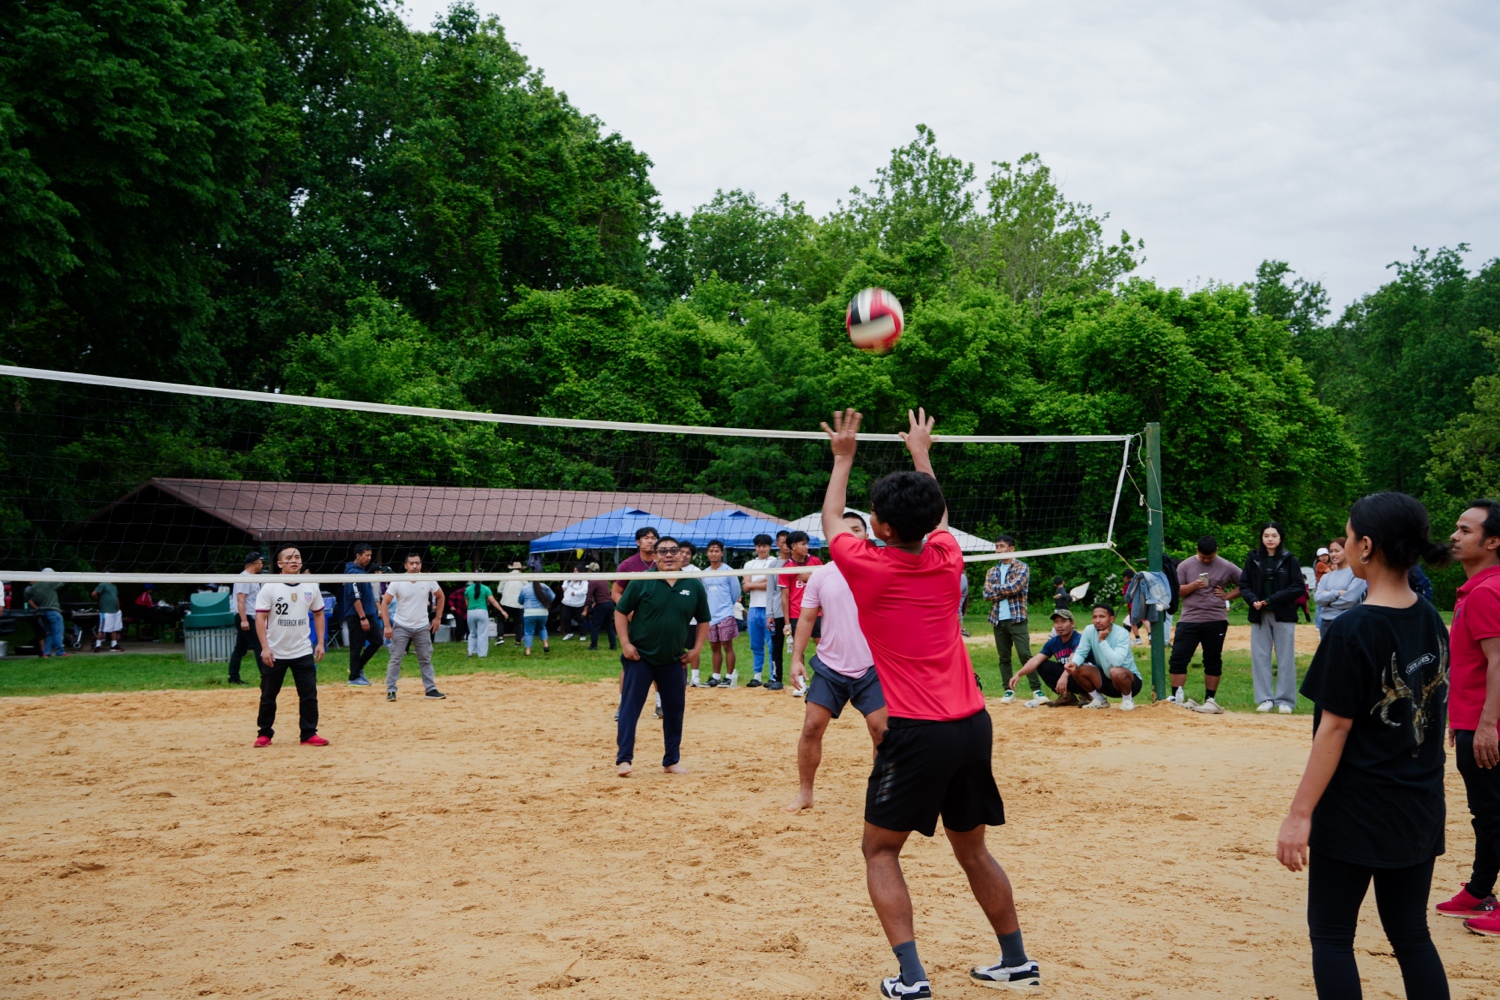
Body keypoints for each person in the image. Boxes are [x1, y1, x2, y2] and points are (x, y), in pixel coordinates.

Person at [820, 407, 1040, 997]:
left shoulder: (867, 566)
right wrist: (922, 452)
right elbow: (938, 515)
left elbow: (832, 520)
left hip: (918, 731)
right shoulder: (948, 557)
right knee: (973, 849)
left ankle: (912, 978)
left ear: (884, 529)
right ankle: (1016, 961)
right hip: (971, 723)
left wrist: (843, 457)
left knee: (879, 850)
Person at [1276, 492, 1451, 999]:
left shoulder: (1353, 628)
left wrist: (1299, 815)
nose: (1346, 545)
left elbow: (1334, 730)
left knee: (1332, 937)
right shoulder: (1430, 617)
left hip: (1357, 807)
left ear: (1367, 546)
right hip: (1418, 804)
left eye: (1350, 536)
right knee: (1412, 936)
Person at [785, 510, 888, 812]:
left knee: (882, 732)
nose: (850, 534)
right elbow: (806, 619)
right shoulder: (822, 574)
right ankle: (805, 794)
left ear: (866, 535)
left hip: (873, 666)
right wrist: (796, 659)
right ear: (833, 538)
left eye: (856, 529)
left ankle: (881, 796)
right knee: (811, 728)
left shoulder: (882, 568)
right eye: (844, 529)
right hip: (830, 666)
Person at [1435, 499, 1500, 934]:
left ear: (1493, 542)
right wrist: (1462, 721)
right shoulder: (1476, 589)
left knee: (1494, 814)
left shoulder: (1487, 592)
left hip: (1488, 727)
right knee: (1486, 813)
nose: (1454, 536)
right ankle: (1479, 891)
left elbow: (1499, 662)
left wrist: (1487, 725)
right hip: (1473, 722)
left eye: (1465, 530)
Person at [614, 535, 709, 777]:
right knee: (630, 708)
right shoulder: (642, 581)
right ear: (655, 556)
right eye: (663, 551)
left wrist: (697, 649)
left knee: (674, 711)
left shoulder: (693, 584)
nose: (668, 555)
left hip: (674, 659)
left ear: (682, 555)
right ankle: (624, 760)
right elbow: (621, 611)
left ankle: (671, 761)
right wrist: (625, 643)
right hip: (640, 657)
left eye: (673, 551)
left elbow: (704, 619)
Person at [252, 545, 328, 747]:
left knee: (309, 695)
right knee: (268, 695)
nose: (294, 561)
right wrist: (265, 647)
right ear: (279, 564)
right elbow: (260, 618)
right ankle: (264, 734)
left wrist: (320, 642)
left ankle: (309, 734)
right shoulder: (270, 587)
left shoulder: (310, 585)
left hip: (302, 650)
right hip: (275, 652)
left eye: (297, 557)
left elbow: (319, 614)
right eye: (289, 558)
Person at [1169, 535, 1242, 713]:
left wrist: (1226, 596)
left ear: (1216, 551)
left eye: (1210, 557)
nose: (1207, 560)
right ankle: (1176, 697)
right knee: (1178, 658)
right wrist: (1193, 586)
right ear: (1197, 550)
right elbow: (1176, 591)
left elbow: (1245, 584)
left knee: (1212, 660)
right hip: (1189, 619)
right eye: (1203, 557)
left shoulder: (1227, 566)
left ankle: (1210, 699)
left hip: (1215, 619)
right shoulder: (1185, 565)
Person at [1243, 522, 1305, 714]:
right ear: (1262, 538)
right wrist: (1253, 600)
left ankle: (1285, 701)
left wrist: (1272, 599)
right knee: (1260, 657)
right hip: (1259, 615)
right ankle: (1265, 699)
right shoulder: (1253, 559)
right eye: (1266, 535)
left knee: (1285, 658)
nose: (1270, 539)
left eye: (1274, 535)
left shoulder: (1289, 559)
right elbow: (1244, 584)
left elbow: (1298, 587)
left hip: (1283, 615)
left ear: (1280, 538)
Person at [379, 552, 445, 701]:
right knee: (396, 658)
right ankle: (391, 690)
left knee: (425, 658)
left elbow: (441, 596)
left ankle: (430, 689)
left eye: (417, 563)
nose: (415, 566)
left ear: (421, 565)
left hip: (422, 626)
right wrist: (387, 626)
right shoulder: (398, 581)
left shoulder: (428, 579)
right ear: (405, 565)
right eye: (411, 563)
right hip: (401, 625)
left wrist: (438, 618)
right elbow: (384, 603)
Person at [983, 535, 1036, 705]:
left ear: (1011, 548)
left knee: (1025, 655)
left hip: (1017, 618)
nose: (998, 550)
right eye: (997, 546)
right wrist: (1003, 591)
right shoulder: (992, 571)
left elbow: (1015, 587)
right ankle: (1008, 690)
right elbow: (986, 594)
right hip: (998, 620)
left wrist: (996, 589)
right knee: (1004, 657)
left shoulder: (1022, 567)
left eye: (1002, 546)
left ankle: (1036, 690)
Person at [1009, 609, 1093, 707]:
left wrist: (1064, 676)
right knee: (1042, 664)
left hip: (1087, 679)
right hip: (1069, 677)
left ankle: (1086, 695)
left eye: (1063, 621)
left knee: (1079, 668)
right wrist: (1018, 674)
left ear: (1072, 623)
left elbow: (1074, 659)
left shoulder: (1079, 639)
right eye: (1056, 622)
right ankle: (1067, 696)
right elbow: (1036, 660)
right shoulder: (1053, 642)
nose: (1059, 625)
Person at [1066, 603, 1142, 710]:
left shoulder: (1122, 633)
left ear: (1111, 619)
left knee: (1115, 671)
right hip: (1106, 679)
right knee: (1077, 669)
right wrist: (1074, 663)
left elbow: (1117, 662)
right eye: (1094, 617)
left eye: (1102, 617)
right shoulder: (1089, 630)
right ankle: (1099, 700)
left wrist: (1102, 640)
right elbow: (1081, 652)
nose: (1097, 620)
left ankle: (1127, 700)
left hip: (1130, 683)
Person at [779, 531, 822, 689]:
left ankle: (825, 679)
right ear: (792, 546)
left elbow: (827, 581)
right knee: (799, 650)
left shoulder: (815, 562)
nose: (806, 547)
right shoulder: (787, 568)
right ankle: (801, 683)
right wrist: (787, 623)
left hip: (817, 613)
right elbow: (785, 598)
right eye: (802, 544)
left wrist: (811, 577)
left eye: (806, 543)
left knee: (823, 647)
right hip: (797, 614)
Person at [700, 540, 743, 688]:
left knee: (727, 645)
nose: (713, 553)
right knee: (714, 647)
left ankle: (729, 676)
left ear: (721, 553)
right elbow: (704, 594)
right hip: (710, 616)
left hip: (725, 614)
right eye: (711, 551)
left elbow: (735, 592)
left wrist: (727, 607)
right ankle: (716, 676)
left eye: (716, 551)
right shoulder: (704, 573)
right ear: (707, 553)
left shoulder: (728, 571)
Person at [742, 533, 778, 687]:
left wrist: (753, 583)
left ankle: (773, 676)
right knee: (755, 644)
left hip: (770, 610)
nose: (761, 549)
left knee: (772, 645)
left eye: (764, 546)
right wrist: (762, 581)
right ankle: (757, 675)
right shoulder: (749, 564)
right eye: (758, 546)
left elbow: (771, 585)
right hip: (753, 609)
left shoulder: (775, 562)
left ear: (770, 547)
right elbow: (745, 587)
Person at [342, 543, 381, 686]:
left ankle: (357, 668)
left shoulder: (362, 571)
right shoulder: (352, 573)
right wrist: (362, 617)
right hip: (357, 616)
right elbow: (355, 597)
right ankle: (353, 678)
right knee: (356, 646)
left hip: (368, 615)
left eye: (371, 555)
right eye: (367, 555)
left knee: (378, 640)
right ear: (358, 555)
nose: (369, 558)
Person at [1314, 538, 1366, 639]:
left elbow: (1350, 600)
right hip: (1326, 624)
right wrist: (1337, 593)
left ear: (1347, 550)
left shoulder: (1358, 574)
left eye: (1337, 551)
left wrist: (1327, 602)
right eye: (1331, 551)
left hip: (1348, 622)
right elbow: (1318, 599)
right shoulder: (1326, 577)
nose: (1333, 554)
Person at [765, 530, 791, 689]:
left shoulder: (798, 563)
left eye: (788, 542)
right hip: (777, 612)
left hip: (795, 611)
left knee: (797, 646)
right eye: (783, 543)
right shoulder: (773, 565)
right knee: (776, 647)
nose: (786, 546)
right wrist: (769, 614)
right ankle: (777, 678)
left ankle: (800, 680)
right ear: (777, 544)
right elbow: (770, 591)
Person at [25, 570, 66, 658]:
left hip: (43, 613)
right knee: (58, 633)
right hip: (53, 611)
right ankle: (60, 652)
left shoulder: (33, 588)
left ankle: (46, 653)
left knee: (50, 633)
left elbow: (26, 595)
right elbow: (62, 581)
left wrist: (36, 607)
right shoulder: (49, 584)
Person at [611, 527, 659, 602]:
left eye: (653, 538)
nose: (650, 541)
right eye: (646, 538)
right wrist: (626, 608)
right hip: (636, 606)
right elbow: (615, 593)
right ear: (638, 542)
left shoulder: (664, 562)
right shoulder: (627, 564)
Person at [464, 580, 504, 657]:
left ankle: (470, 651)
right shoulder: (485, 588)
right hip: (482, 611)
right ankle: (482, 654)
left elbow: (467, 604)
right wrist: (502, 610)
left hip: (471, 611)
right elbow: (492, 601)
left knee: (472, 633)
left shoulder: (468, 589)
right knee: (482, 634)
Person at [585, 563, 617, 651]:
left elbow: (588, 597)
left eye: (588, 570)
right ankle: (613, 645)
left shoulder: (592, 582)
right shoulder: (604, 579)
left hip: (602, 605)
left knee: (595, 626)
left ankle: (593, 646)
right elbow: (604, 593)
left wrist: (585, 609)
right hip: (609, 604)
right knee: (609, 626)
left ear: (591, 571)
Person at [520, 576, 553, 656]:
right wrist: (546, 602)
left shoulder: (525, 588)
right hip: (543, 612)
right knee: (542, 627)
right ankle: (546, 645)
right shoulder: (544, 587)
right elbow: (552, 596)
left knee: (528, 632)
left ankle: (528, 651)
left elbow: (520, 600)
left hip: (529, 612)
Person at [90, 575, 123, 653]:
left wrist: (118, 609)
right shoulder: (103, 584)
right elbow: (94, 594)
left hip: (115, 610)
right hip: (106, 610)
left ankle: (114, 644)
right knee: (102, 628)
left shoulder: (114, 586)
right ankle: (98, 645)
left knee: (114, 628)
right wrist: (99, 601)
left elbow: (116, 597)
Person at [498, 561, 526, 646]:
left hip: (505, 602)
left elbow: (499, 590)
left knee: (501, 620)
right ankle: (518, 641)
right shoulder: (523, 578)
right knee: (518, 622)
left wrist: (506, 593)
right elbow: (527, 589)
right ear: (520, 569)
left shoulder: (505, 576)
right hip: (518, 603)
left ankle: (500, 637)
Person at [560, 568, 589, 639]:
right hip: (567, 602)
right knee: (566, 618)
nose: (575, 572)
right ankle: (569, 633)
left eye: (577, 570)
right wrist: (564, 587)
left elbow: (585, 590)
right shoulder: (569, 578)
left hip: (578, 604)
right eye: (574, 570)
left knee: (580, 619)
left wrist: (576, 593)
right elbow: (564, 586)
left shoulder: (584, 581)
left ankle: (583, 635)